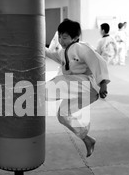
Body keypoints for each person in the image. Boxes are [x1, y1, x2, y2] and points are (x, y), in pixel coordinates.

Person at [45, 18, 110, 157]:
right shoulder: (63, 52)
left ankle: (35, 93)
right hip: (80, 90)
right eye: (60, 37)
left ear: (75, 38)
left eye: (65, 37)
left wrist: (103, 83)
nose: (61, 41)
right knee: (62, 115)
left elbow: (97, 61)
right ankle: (87, 139)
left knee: (58, 82)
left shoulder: (80, 47)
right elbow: (50, 54)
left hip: (88, 86)